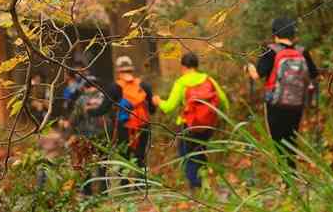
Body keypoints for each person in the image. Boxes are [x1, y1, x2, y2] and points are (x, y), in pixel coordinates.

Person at [249, 17, 318, 170]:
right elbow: (313, 74)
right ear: (293, 33)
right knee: (291, 139)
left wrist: (248, 67)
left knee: (278, 142)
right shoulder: (301, 51)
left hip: (275, 103)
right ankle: (292, 175)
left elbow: (257, 75)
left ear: (275, 33)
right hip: (296, 103)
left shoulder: (270, 50)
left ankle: (288, 181)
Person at [154, 52, 229, 190]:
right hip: (208, 126)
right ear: (196, 65)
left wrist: (158, 101)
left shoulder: (182, 82)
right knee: (200, 153)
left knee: (188, 156)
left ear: (183, 67)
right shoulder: (208, 79)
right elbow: (223, 100)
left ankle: (197, 189)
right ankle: (206, 186)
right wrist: (219, 117)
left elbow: (168, 107)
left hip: (188, 126)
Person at [86, 56, 156, 172]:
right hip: (143, 125)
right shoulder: (144, 85)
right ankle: (143, 185)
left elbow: (103, 109)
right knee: (141, 157)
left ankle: (126, 185)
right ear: (131, 69)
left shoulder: (114, 87)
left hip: (124, 127)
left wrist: (89, 110)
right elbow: (152, 109)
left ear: (118, 70)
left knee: (124, 158)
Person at [68, 75, 106, 195]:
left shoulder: (81, 100)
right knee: (103, 165)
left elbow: (73, 120)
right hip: (103, 137)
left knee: (85, 165)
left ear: (84, 87)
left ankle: (87, 193)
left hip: (86, 137)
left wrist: (72, 133)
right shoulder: (104, 98)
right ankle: (104, 192)